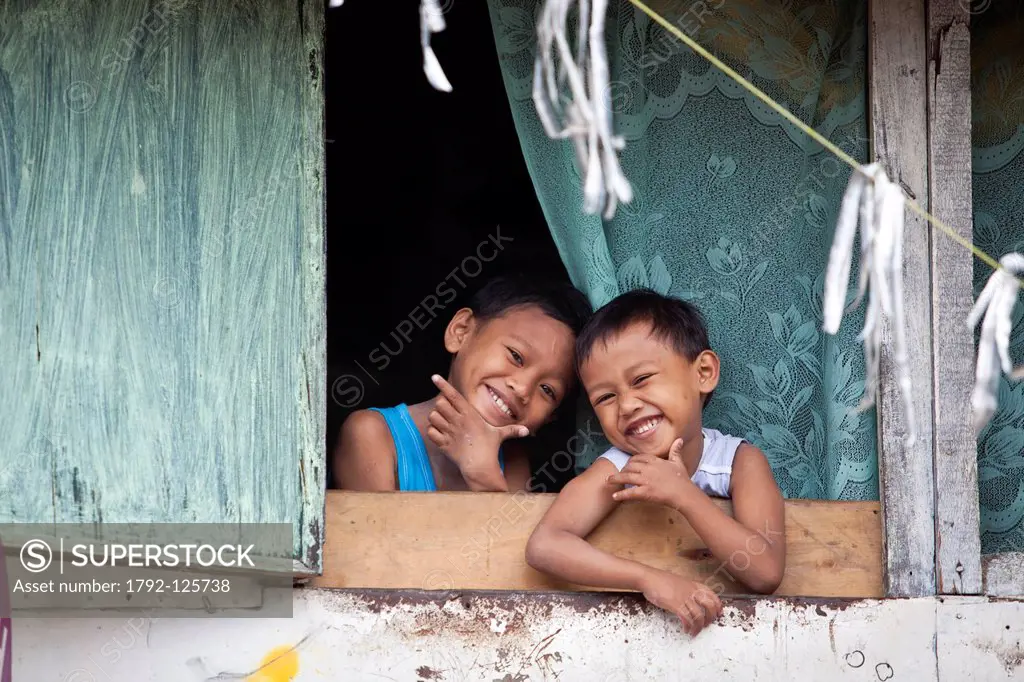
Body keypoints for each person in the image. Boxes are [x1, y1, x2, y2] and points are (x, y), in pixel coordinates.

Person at [525, 288, 786, 636]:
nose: (627, 405)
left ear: (704, 372)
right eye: (606, 397)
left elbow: (766, 572)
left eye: (642, 379)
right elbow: (545, 545)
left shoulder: (739, 462)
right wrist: (648, 579)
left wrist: (684, 495)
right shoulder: (619, 469)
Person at [332, 275, 592, 492]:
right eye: (516, 356)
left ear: (550, 419)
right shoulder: (372, 433)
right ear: (461, 331)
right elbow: (377, 548)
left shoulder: (511, 463)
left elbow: (505, 552)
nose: (523, 389)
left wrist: (483, 475)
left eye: (547, 390)